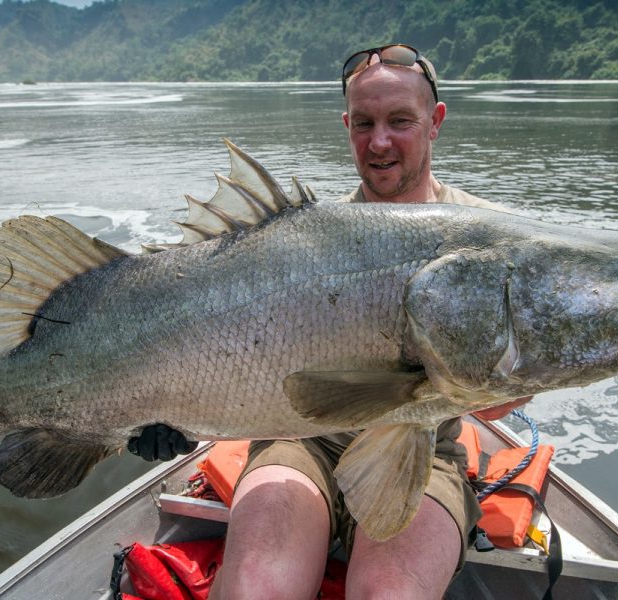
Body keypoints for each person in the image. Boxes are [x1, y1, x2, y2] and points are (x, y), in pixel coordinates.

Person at [130, 44, 531, 599]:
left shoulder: (496, 240)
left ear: (435, 121)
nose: (380, 141)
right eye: (364, 123)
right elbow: (212, 350)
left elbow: (494, 400)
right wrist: (161, 409)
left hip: (422, 449)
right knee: (254, 591)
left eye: (400, 121)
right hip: (298, 439)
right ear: (347, 126)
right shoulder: (299, 241)